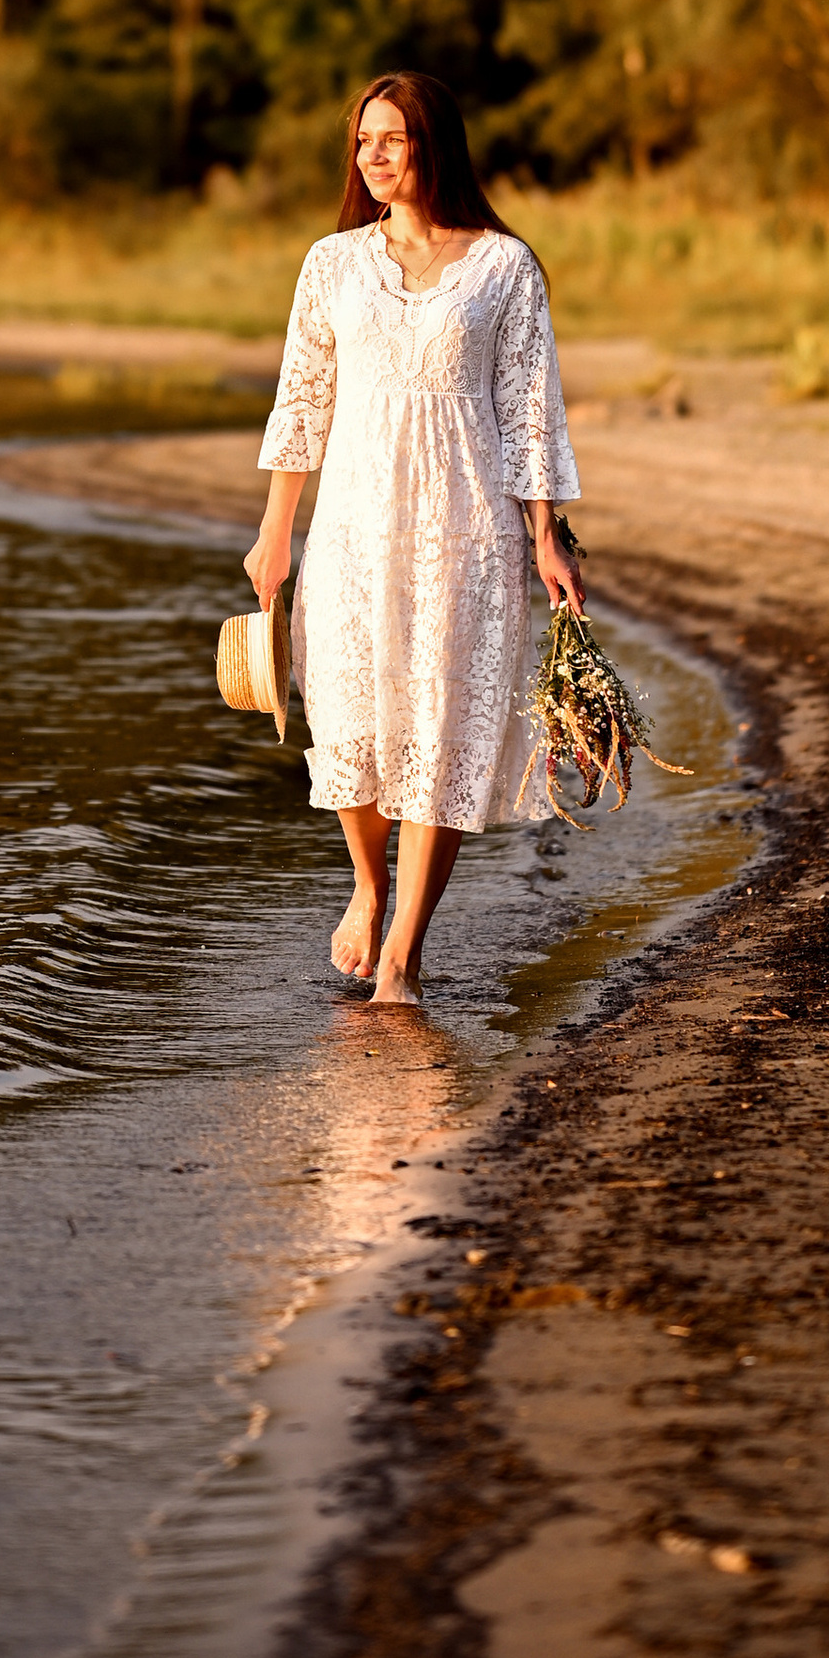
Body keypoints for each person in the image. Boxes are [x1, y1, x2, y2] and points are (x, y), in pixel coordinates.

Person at [243, 72, 584, 1008]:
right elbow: (302, 400)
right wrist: (276, 533)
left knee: (441, 726)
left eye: (390, 138)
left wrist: (546, 537)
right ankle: (368, 877)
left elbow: (529, 412)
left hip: (465, 529)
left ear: (434, 141)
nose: (373, 157)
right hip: (353, 522)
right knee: (348, 713)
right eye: (362, 142)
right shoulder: (333, 263)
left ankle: (403, 953)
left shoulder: (505, 267)